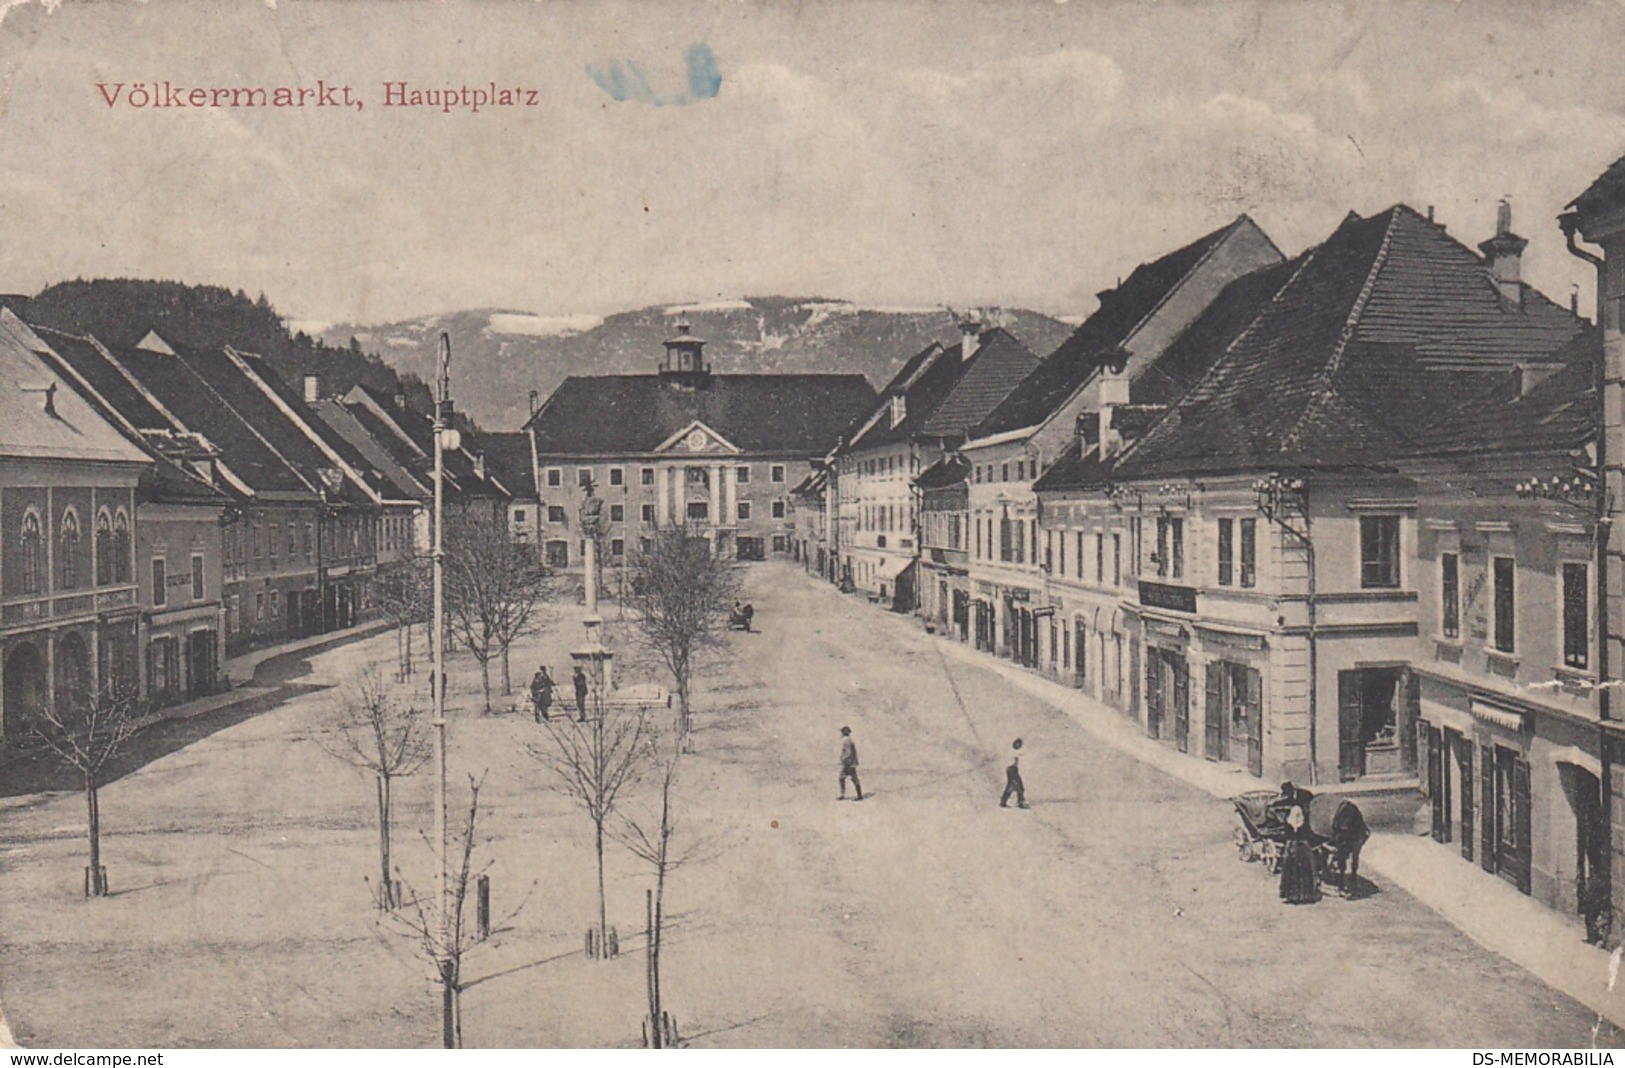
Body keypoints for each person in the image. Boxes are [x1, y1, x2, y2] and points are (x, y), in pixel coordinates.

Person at [1278, 800, 1319, 905]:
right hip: (1301, 849)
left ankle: (1293, 895)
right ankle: (1302, 895)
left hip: (1293, 848)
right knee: (1304, 870)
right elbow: (1308, 835)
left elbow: (1287, 835)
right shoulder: (1301, 823)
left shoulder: (1288, 823)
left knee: (1291, 870)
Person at [1000, 738, 1028, 809]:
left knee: (1012, 786)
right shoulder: (1013, 752)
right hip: (1012, 770)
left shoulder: (1012, 751)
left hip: (1012, 770)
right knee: (1018, 786)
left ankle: (1004, 801)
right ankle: (1020, 802)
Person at [838, 726, 863, 801]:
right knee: (843, 778)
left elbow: (848, 753)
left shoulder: (847, 741)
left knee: (852, 779)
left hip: (848, 764)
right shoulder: (849, 740)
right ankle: (844, 794)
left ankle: (859, 795)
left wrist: (844, 760)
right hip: (850, 763)